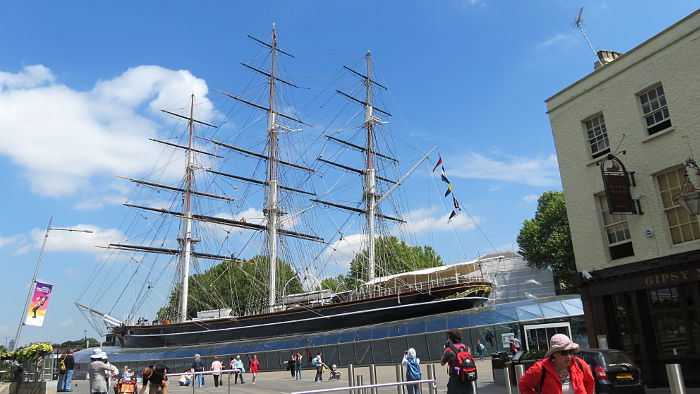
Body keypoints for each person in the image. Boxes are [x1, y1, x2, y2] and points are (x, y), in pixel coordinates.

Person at [519, 334, 594, 394]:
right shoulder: (540, 368)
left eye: (570, 352)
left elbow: (589, 382)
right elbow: (524, 384)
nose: (568, 356)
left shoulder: (579, 363)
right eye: (563, 353)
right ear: (554, 353)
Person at [440, 328, 474, 394]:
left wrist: (446, 349)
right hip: (467, 379)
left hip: (455, 381)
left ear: (451, 339)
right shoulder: (467, 348)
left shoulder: (449, 350)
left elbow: (442, 363)